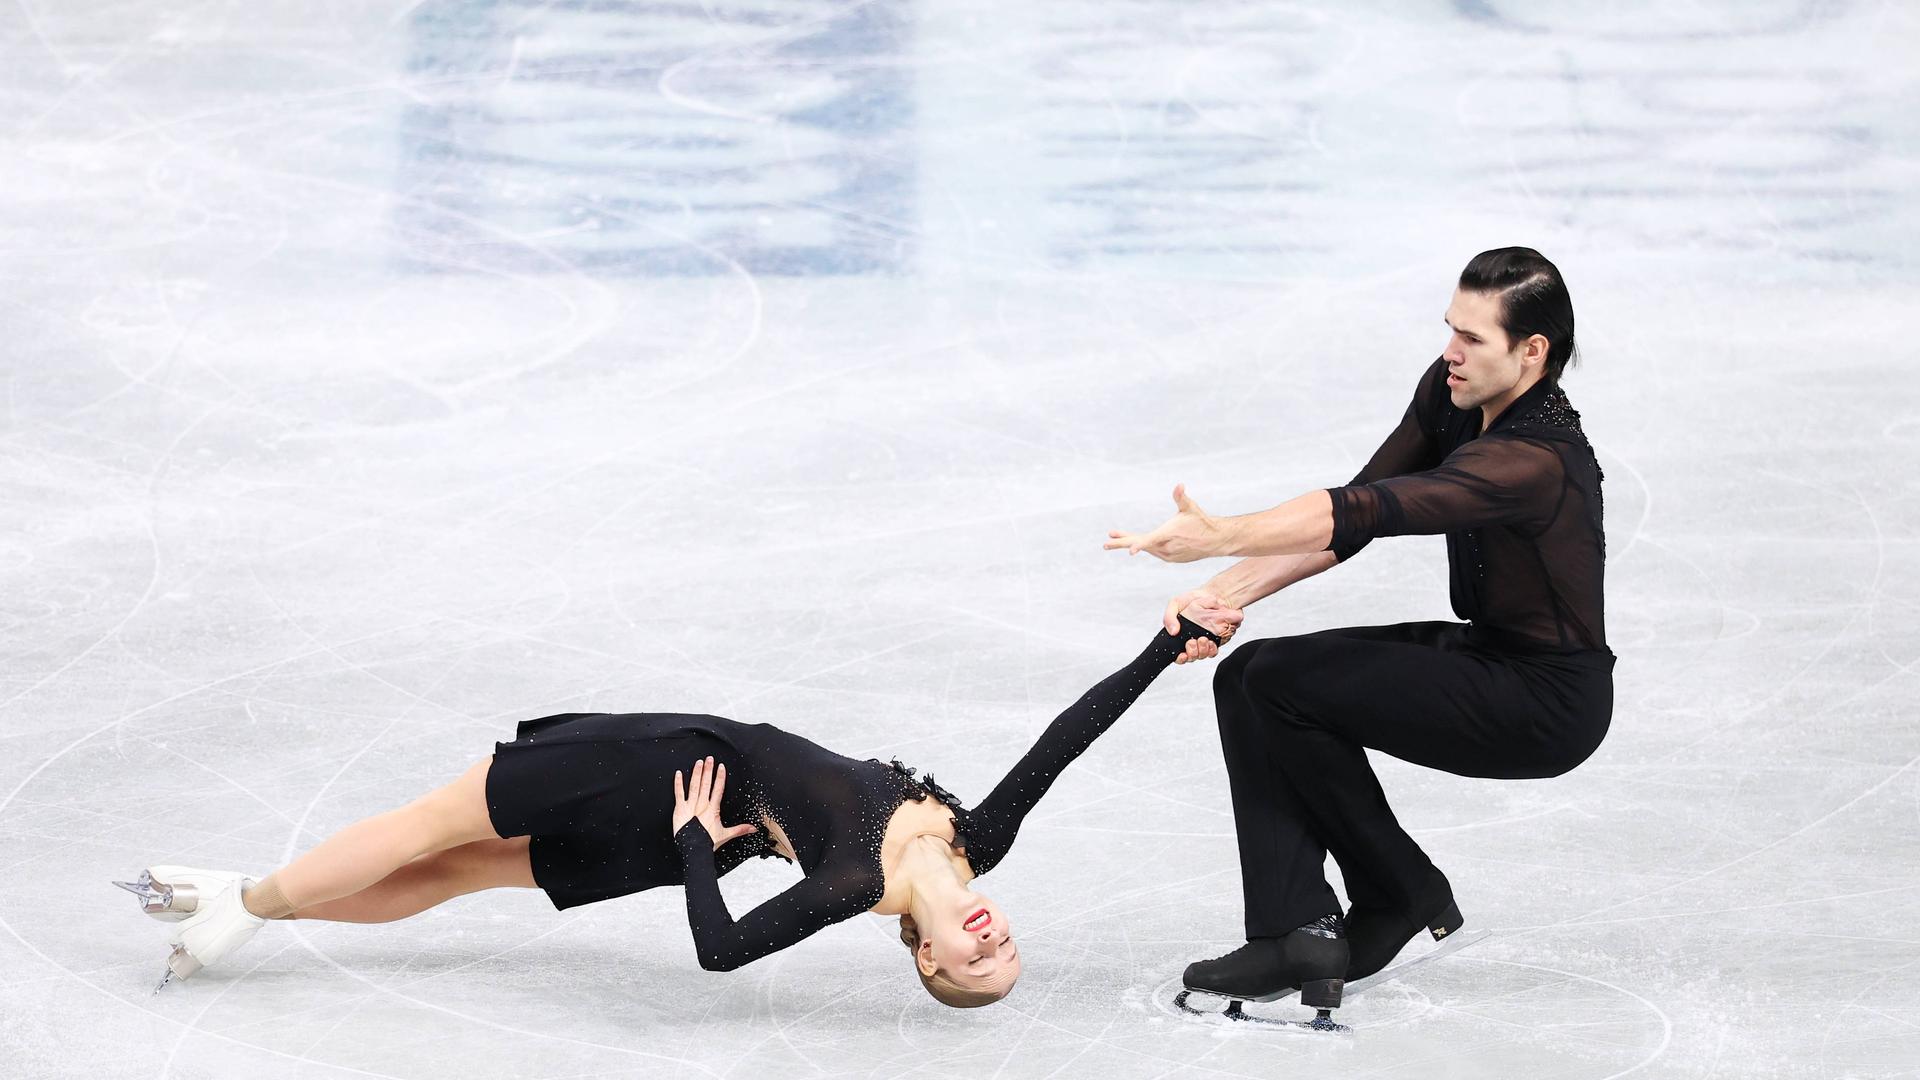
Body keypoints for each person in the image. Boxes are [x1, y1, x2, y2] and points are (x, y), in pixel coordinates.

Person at [117, 606, 1237, 1008]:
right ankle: (252, 908)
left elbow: (720, 955)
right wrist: (1161, 645)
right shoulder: (974, 840)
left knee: (436, 833)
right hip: (687, 825)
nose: (994, 947)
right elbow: (1070, 738)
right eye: (1007, 957)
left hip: (677, 789)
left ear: (928, 960)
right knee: (455, 871)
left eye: (974, 968)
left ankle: (247, 902)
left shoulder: (856, 885)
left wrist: (699, 846)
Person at [1105, 247, 1613, 1018]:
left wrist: (1221, 535)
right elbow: (1355, 510)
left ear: (1532, 351)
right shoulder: (1452, 396)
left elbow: (1363, 512)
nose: (1451, 352)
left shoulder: (1536, 461)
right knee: (1249, 678)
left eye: (1474, 339)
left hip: (1547, 701)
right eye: (1451, 329)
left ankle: (1398, 888)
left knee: (1280, 684)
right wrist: (1223, 592)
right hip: (1490, 656)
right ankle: (1295, 928)